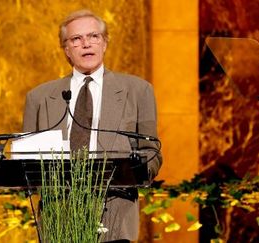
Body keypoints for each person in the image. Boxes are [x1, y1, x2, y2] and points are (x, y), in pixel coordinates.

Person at [22, 9, 162, 242]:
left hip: (116, 215)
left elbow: (152, 151)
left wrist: (136, 170)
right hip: (59, 217)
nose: (86, 44)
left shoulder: (138, 91)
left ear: (105, 43)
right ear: (66, 49)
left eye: (94, 36)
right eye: (76, 39)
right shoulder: (39, 98)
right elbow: (25, 161)